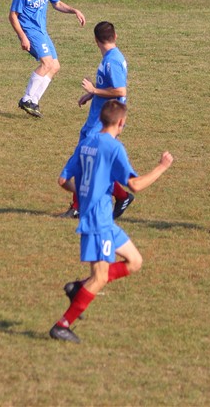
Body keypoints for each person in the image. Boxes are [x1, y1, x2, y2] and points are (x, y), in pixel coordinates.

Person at [50, 101, 174, 343]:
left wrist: (85, 193)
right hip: (98, 222)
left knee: (135, 261)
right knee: (100, 278)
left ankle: (78, 288)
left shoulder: (87, 143)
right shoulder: (114, 147)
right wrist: (162, 167)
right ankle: (62, 325)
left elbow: (63, 180)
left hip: (104, 219)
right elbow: (135, 185)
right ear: (120, 122)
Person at [59, 21, 135, 220]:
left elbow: (120, 90)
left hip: (103, 122)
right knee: (94, 163)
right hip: (97, 116)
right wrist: (93, 95)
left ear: (95, 40)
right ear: (115, 36)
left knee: (85, 160)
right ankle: (121, 196)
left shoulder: (113, 61)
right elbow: (109, 86)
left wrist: (94, 90)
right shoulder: (109, 58)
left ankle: (78, 206)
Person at [9, 0, 85, 118]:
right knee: (47, 63)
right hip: (31, 32)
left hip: (42, 31)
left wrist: (74, 11)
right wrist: (23, 37)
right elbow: (13, 16)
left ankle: (33, 101)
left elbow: (57, 3)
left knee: (55, 66)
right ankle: (26, 99)